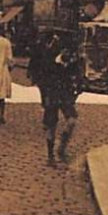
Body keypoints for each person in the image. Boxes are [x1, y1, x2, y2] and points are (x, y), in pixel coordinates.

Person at [28, 31, 83, 165]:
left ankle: (62, 146)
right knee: (51, 125)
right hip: (52, 94)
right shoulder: (48, 61)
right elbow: (41, 76)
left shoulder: (73, 62)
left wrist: (77, 88)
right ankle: (50, 155)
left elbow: (79, 77)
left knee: (72, 121)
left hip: (65, 95)